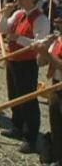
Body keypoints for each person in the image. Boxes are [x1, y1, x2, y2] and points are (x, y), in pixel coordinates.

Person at [0, 0, 50, 154]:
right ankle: (17, 126)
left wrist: (18, 38)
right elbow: (1, 29)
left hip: (27, 63)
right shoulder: (19, 14)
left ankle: (31, 138)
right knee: (14, 95)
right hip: (13, 59)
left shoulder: (41, 19)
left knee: (28, 100)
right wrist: (5, 15)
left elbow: (40, 44)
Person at [36, 20, 62, 165]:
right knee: (56, 124)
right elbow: (41, 63)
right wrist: (43, 48)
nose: (58, 26)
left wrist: (48, 54)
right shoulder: (57, 41)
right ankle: (58, 157)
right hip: (56, 86)